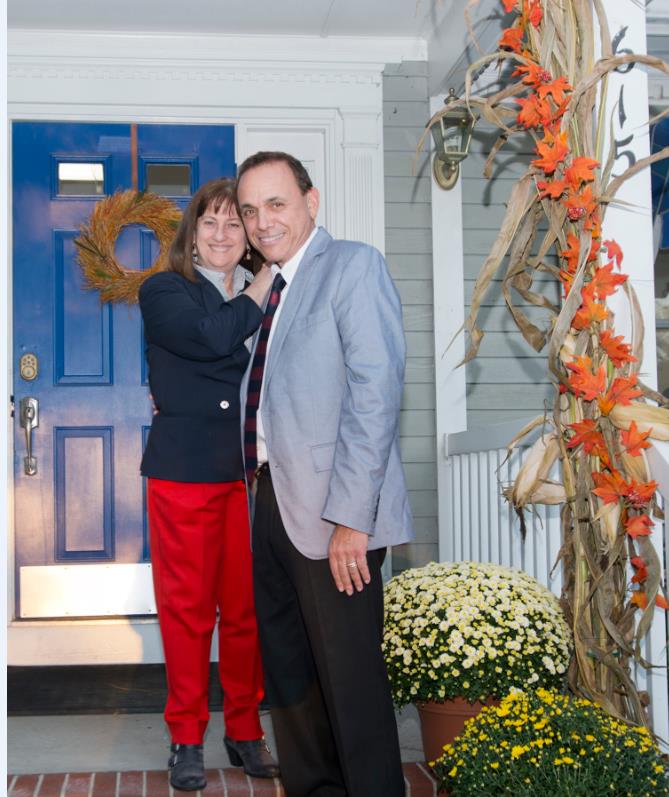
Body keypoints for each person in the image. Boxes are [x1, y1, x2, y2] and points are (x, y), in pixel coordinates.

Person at [236, 152, 414, 797]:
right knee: (292, 677)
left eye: (275, 203)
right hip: (272, 503)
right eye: (251, 210)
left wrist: (350, 521)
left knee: (350, 683)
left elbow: (375, 392)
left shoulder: (352, 266)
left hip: (335, 512)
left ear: (312, 202)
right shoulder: (268, 289)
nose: (262, 222)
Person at [139, 178, 279, 791]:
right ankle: (187, 737)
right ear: (191, 233)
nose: (222, 234)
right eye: (210, 222)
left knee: (246, 613)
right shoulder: (165, 290)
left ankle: (245, 730)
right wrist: (261, 284)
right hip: (184, 473)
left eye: (233, 224)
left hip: (248, 475)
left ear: (246, 235)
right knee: (188, 613)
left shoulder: (266, 297)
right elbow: (212, 337)